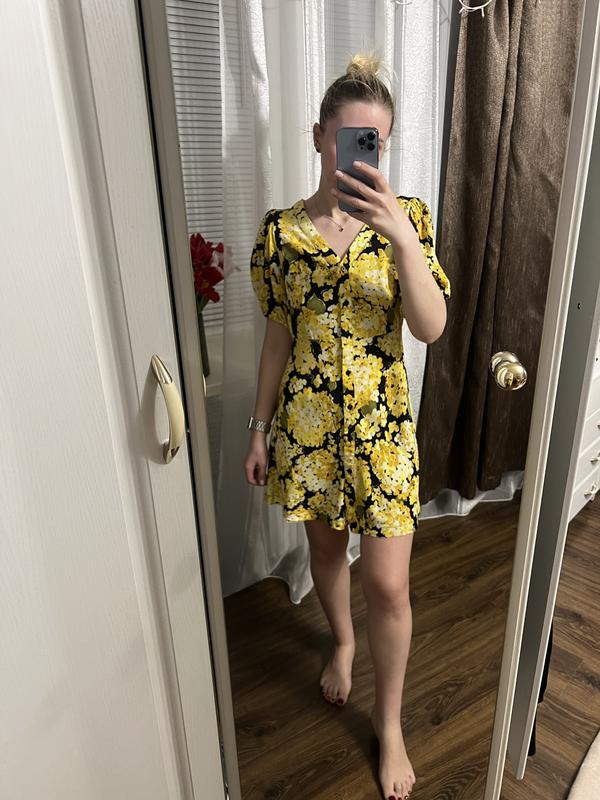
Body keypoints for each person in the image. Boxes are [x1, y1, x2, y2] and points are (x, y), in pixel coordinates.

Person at [244, 51, 451, 800]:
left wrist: (399, 237)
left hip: (383, 434)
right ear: (319, 138)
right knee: (327, 554)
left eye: (376, 144)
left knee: (389, 585)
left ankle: (389, 724)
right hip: (306, 433)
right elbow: (277, 338)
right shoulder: (280, 235)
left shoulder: (408, 219)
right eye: (351, 140)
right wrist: (259, 428)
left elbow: (430, 327)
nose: (363, 157)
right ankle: (342, 642)